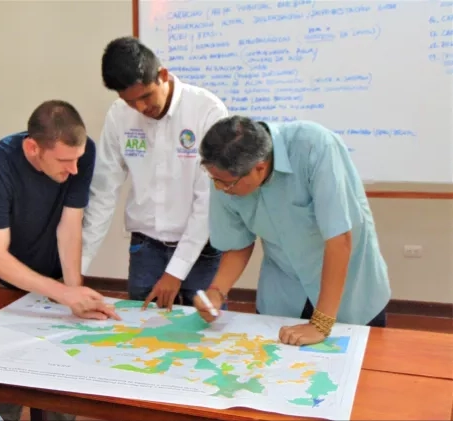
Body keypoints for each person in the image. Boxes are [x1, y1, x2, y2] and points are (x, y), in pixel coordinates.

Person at [0, 99, 119, 421]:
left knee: (57, 388)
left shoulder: (82, 155)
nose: (74, 171)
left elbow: (70, 226)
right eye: (65, 161)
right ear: (32, 148)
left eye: (78, 160)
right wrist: (65, 294)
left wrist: (74, 292)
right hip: (0, 283)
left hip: (54, 280)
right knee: (2, 385)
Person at [194, 116, 391, 346]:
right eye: (214, 180)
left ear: (259, 168)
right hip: (284, 293)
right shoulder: (226, 172)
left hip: (347, 292)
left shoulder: (315, 146)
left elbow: (340, 239)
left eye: (225, 184)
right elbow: (237, 243)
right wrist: (217, 292)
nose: (219, 189)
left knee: (357, 373)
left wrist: (321, 323)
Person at [81, 36, 229, 311]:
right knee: (142, 334)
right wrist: (80, 264)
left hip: (200, 247)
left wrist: (176, 271)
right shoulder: (118, 117)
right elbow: (103, 191)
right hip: (145, 248)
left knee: (204, 331)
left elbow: (208, 199)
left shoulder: (207, 111)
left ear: (162, 75)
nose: (140, 108)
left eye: (145, 96)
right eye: (129, 101)